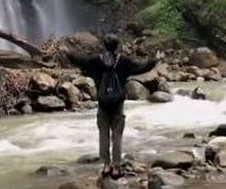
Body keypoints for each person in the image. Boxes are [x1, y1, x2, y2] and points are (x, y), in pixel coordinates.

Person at [66, 34, 159, 178]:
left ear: (104, 45)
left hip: (103, 103)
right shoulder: (124, 61)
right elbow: (141, 67)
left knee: (103, 135)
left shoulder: (96, 60)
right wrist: (154, 60)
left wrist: (68, 52)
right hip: (118, 104)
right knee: (117, 136)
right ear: (117, 46)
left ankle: (106, 165)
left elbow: (80, 61)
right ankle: (116, 167)